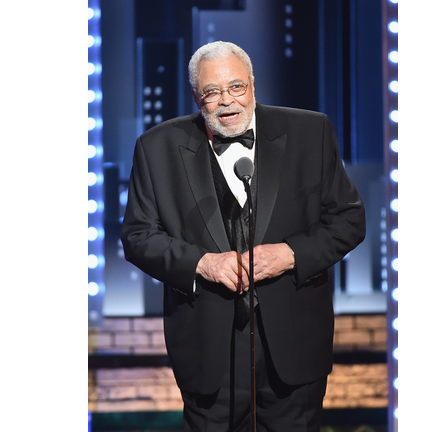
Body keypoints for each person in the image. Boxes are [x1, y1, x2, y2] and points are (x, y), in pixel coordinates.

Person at [121, 41, 366, 432]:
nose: (227, 101)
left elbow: (348, 220)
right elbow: (138, 235)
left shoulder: (310, 131)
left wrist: (289, 254)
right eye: (212, 92)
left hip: (294, 345)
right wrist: (202, 263)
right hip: (208, 352)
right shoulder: (156, 148)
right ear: (196, 97)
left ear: (253, 84)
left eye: (236, 87)